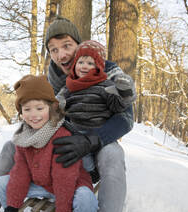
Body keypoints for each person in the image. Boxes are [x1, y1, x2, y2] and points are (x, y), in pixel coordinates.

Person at [0, 16, 135, 212]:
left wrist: (92, 140)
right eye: (53, 50)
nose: (61, 55)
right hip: (62, 140)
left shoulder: (105, 67)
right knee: (12, 145)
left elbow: (126, 118)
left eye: (67, 46)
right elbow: (43, 114)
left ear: (79, 45)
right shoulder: (53, 77)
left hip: (98, 139)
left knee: (113, 156)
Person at [0, 74, 98, 212]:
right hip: (43, 184)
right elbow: (20, 172)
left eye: (39, 108)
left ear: (51, 107)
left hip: (70, 185)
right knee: (1, 183)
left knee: (87, 199)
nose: (33, 115)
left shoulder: (61, 134)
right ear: (21, 112)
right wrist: (12, 205)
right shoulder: (23, 137)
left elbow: (64, 177)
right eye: (27, 109)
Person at [56, 39, 136, 180]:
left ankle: (91, 173)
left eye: (90, 63)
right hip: (74, 128)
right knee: (63, 143)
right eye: (80, 62)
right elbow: (58, 101)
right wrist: (57, 104)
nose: (84, 66)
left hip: (95, 129)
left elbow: (117, 105)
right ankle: (61, 175)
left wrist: (124, 94)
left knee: (86, 154)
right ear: (75, 65)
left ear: (98, 66)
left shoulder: (104, 85)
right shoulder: (70, 86)